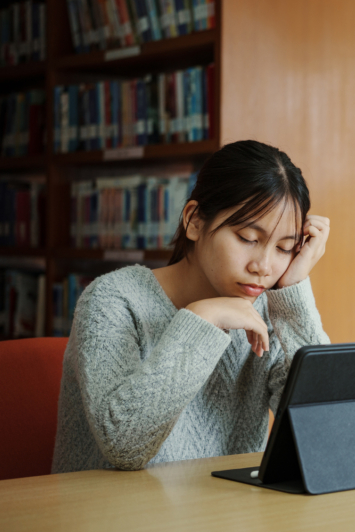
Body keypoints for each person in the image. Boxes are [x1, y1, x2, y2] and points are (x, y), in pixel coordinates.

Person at [52, 140, 331, 473]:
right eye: (247, 239)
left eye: (285, 248)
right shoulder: (113, 300)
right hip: (117, 518)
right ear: (195, 220)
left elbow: (326, 432)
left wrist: (293, 294)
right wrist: (202, 319)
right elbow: (124, 446)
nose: (264, 266)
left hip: (223, 517)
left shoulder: (267, 311)